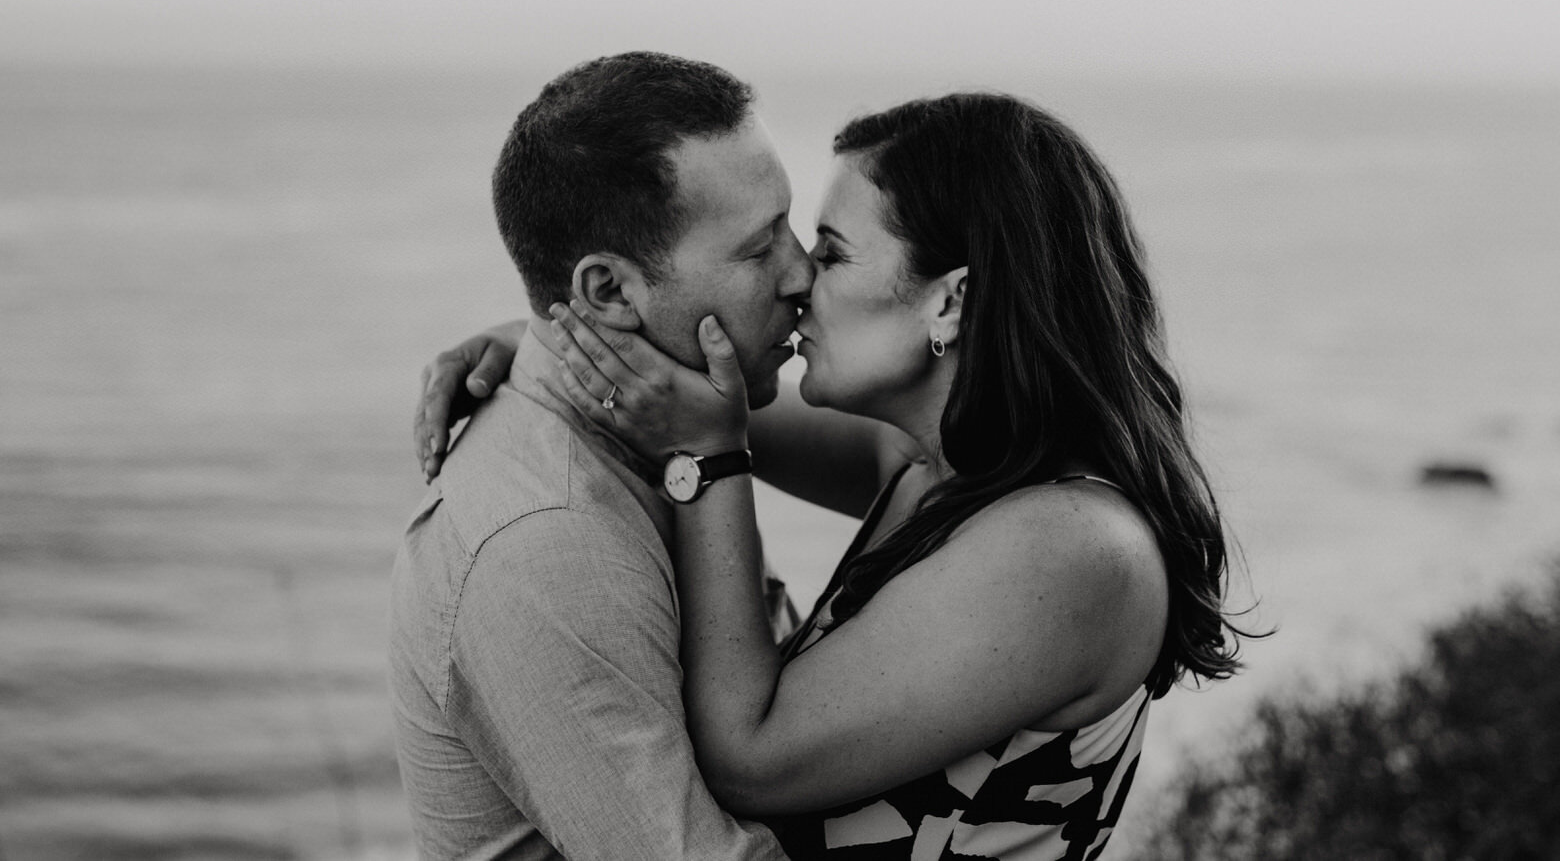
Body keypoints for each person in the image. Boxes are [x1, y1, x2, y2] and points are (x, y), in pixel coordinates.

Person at [419, 92, 1251, 859]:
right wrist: (550, 337)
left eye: (833, 252)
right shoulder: (936, 466)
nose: (799, 283)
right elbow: (689, 385)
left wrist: (711, 464)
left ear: (950, 303)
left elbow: (752, 759)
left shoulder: (1072, 548)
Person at [389, 51, 810, 860]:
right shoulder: (549, 544)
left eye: (789, 226)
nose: (801, 273)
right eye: (760, 250)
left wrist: (540, 342)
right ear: (610, 294)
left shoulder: (661, 435)